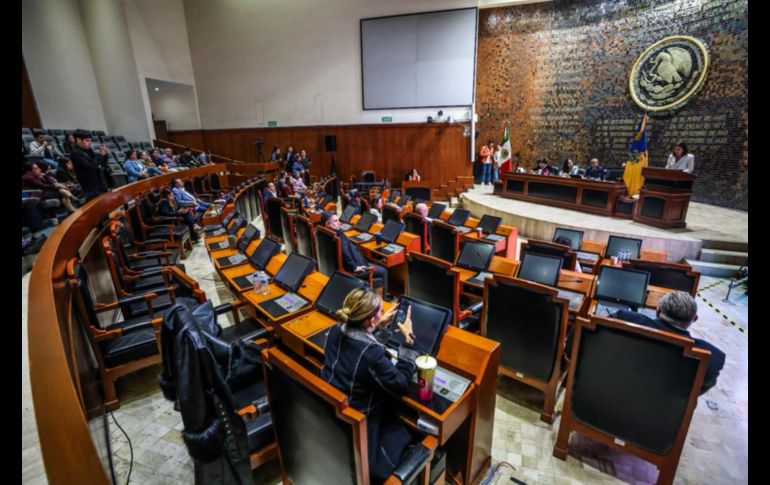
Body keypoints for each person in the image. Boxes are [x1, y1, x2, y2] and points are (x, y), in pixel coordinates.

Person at [320, 287, 419, 482]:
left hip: (333, 414)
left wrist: (378, 327)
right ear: (370, 319)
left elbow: (361, 346)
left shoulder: (334, 330)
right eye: (380, 311)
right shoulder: (372, 355)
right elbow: (400, 385)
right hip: (360, 420)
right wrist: (408, 344)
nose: (383, 314)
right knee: (411, 427)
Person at [611, 291, 724, 395]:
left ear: (658, 311)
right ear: (694, 319)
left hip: (612, 392)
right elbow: (693, 395)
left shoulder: (624, 318)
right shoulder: (713, 357)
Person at [322, 211, 390, 297]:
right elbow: (344, 251)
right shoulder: (337, 235)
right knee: (384, 271)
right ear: (327, 224)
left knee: (373, 261)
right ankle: (383, 299)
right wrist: (354, 267)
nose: (339, 223)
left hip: (350, 264)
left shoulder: (326, 233)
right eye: (335, 221)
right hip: (354, 269)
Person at [69, 130, 112, 201]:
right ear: (78, 140)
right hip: (91, 188)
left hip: (100, 184)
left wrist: (105, 155)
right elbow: (91, 167)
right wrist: (101, 155)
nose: (90, 143)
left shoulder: (89, 151)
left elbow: (101, 165)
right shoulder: (75, 153)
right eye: (87, 141)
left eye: (90, 141)